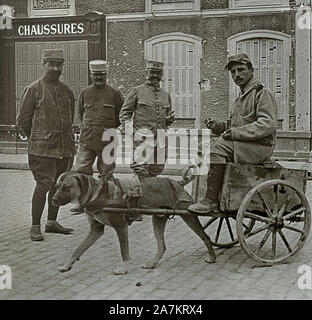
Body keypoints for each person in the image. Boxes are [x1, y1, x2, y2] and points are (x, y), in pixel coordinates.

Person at [188, 53, 277, 214]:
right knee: (204, 146)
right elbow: (237, 125)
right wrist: (218, 126)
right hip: (245, 144)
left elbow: (267, 124)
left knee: (218, 148)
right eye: (233, 72)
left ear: (251, 70)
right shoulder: (242, 96)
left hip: (260, 147)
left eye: (241, 70)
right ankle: (213, 193)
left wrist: (235, 133)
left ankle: (210, 200)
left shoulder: (261, 92)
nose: (236, 75)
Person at [17, 49, 76, 241]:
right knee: (43, 185)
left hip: (65, 149)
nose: (56, 68)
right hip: (42, 151)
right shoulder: (34, 89)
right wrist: (37, 138)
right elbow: (23, 121)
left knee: (58, 186)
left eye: (59, 64)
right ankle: (35, 226)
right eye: (51, 64)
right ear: (43, 64)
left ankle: (51, 222)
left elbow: (69, 117)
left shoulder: (67, 91)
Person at [71, 60, 124, 212]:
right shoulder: (84, 93)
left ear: (106, 74)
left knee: (107, 173)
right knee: (81, 172)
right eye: (95, 75)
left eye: (101, 74)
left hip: (108, 140)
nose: (98, 77)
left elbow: (120, 115)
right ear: (91, 75)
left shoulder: (114, 93)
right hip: (87, 140)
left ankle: (106, 201)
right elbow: (81, 114)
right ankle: (82, 202)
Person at [118, 60, 175, 179]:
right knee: (140, 170)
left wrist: (169, 119)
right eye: (152, 72)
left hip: (160, 139)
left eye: (158, 73)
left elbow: (167, 118)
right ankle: (138, 195)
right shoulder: (137, 91)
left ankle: (150, 195)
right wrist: (130, 132)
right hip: (142, 138)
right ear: (146, 73)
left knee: (156, 169)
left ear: (162, 75)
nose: (155, 75)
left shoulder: (166, 95)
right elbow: (125, 113)